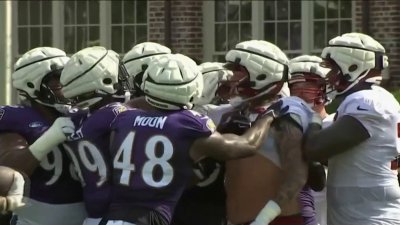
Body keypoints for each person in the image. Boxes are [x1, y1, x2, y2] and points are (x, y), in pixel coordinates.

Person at [78, 53, 282, 225]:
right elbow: (246, 145)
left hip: (112, 217)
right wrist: (268, 117)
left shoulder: (123, 116)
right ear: (193, 87)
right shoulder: (186, 125)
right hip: (150, 218)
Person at [303, 32, 400, 225]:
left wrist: (312, 116)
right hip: (363, 213)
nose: (329, 77)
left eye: (333, 69)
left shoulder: (367, 101)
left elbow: (314, 148)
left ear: (353, 66)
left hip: (369, 217)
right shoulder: (373, 98)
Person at [217, 40, 312, 225]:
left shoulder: (285, 113)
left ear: (261, 73)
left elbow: (297, 175)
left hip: (277, 220)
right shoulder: (237, 113)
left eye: (238, 70)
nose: (232, 76)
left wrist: (264, 219)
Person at [0, 47, 84, 225]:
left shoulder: (82, 114)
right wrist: (48, 139)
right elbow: (8, 171)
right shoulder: (19, 118)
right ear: (32, 85)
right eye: (57, 78)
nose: (65, 83)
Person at [59, 46, 132, 225]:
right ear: (103, 80)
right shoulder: (114, 113)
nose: (123, 80)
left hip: (93, 211)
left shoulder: (77, 117)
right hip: (115, 215)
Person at [288, 55, 333, 225]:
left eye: (308, 90)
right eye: (295, 90)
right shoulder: (281, 125)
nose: (300, 96)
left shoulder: (337, 123)